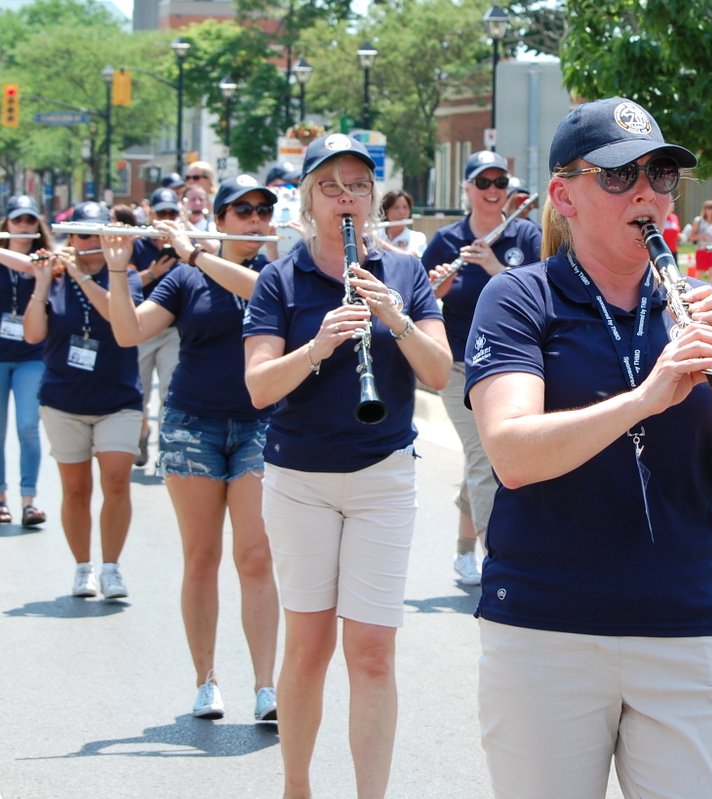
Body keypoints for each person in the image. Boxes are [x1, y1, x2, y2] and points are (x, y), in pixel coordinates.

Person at [466, 95, 712, 799]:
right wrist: (645, 398)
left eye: (661, 174)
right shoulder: (520, 300)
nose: (647, 192)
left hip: (686, 622)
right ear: (564, 195)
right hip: (547, 626)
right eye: (618, 176)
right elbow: (512, 454)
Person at [243, 133, 451, 799]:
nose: (345, 197)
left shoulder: (405, 273)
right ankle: (297, 786)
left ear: (374, 198)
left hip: (382, 475)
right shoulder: (281, 278)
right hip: (300, 479)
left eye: (357, 186)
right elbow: (258, 387)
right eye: (330, 186)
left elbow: (440, 373)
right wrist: (318, 344)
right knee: (308, 645)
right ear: (307, 198)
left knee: (372, 649)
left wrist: (395, 315)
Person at [104, 175, 281, 722]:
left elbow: (262, 296)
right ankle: (206, 680)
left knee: (255, 556)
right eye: (242, 210)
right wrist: (116, 268)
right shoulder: (184, 278)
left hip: (260, 425)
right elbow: (130, 332)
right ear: (220, 220)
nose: (255, 219)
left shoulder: (279, 275)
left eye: (262, 211)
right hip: (192, 426)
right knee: (200, 556)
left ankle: (265, 686)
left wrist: (197, 254)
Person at [422, 150, 541, 586]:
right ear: (468, 189)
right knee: (483, 454)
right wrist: (441, 286)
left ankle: (461, 551)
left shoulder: (526, 235)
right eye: (483, 183)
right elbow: (418, 302)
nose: (493, 191)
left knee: (486, 456)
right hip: (459, 365)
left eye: (499, 183)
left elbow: (543, 294)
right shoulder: (447, 240)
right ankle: (500, 558)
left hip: (514, 365)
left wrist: (494, 268)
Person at [23, 201, 142, 599]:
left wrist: (84, 276)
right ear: (69, 238)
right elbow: (33, 335)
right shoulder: (54, 277)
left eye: (95, 233)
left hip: (119, 397)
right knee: (75, 490)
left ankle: (112, 567)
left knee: (116, 482)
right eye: (80, 234)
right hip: (63, 399)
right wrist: (42, 284)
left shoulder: (125, 276)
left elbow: (116, 317)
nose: (88, 241)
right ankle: (82, 567)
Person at [0, 195, 52, 526]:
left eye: (30, 221)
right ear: (6, 223)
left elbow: (32, 268)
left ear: (38, 225)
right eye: (17, 219)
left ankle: (29, 500)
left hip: (33, 355)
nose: (23, 226)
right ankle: (1, 499)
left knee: (28, 426)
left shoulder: (47, 260)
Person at [130, 187, 185, 467]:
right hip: (141, 329)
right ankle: (142, 433)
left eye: (171, 213)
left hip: (173, 332)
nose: (166, 218)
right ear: (150, 214)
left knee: (169, 392)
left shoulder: (186, 244)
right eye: (161, 213)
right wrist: (153, 273)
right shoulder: (136, 244)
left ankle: (166, 452)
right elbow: (123, 284)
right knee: (138, 393)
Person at [377, 189, 426, 257]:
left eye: (405, 207)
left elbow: (410, 257)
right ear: (386, 211)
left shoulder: (417, 237)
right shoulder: (376, 234)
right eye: (396, 207)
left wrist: (379, 243)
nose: (402, 212)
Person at [688, 199, 712, 283]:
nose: (708, 211)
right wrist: (701, 236)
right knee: (700, 273)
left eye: (710, 208)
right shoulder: (699, 221)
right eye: (706, 208)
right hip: (701, 249)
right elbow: (692, 237)